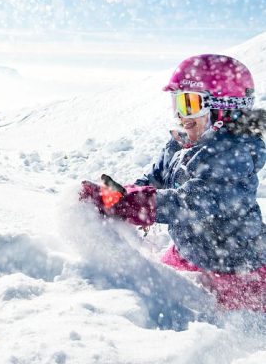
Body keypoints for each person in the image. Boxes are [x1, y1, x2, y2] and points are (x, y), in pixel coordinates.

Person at [80, 54, 266, 312]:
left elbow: (189, 203)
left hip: (236, 269)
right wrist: (119, 195)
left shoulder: (231, 156)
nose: (181, 116)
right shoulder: (179, 145)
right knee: (156, 282)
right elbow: (152, 181)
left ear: (224, 108)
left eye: (189, 104)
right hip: (190, 251)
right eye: (176, 104)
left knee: (207, 319)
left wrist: (135, 205)